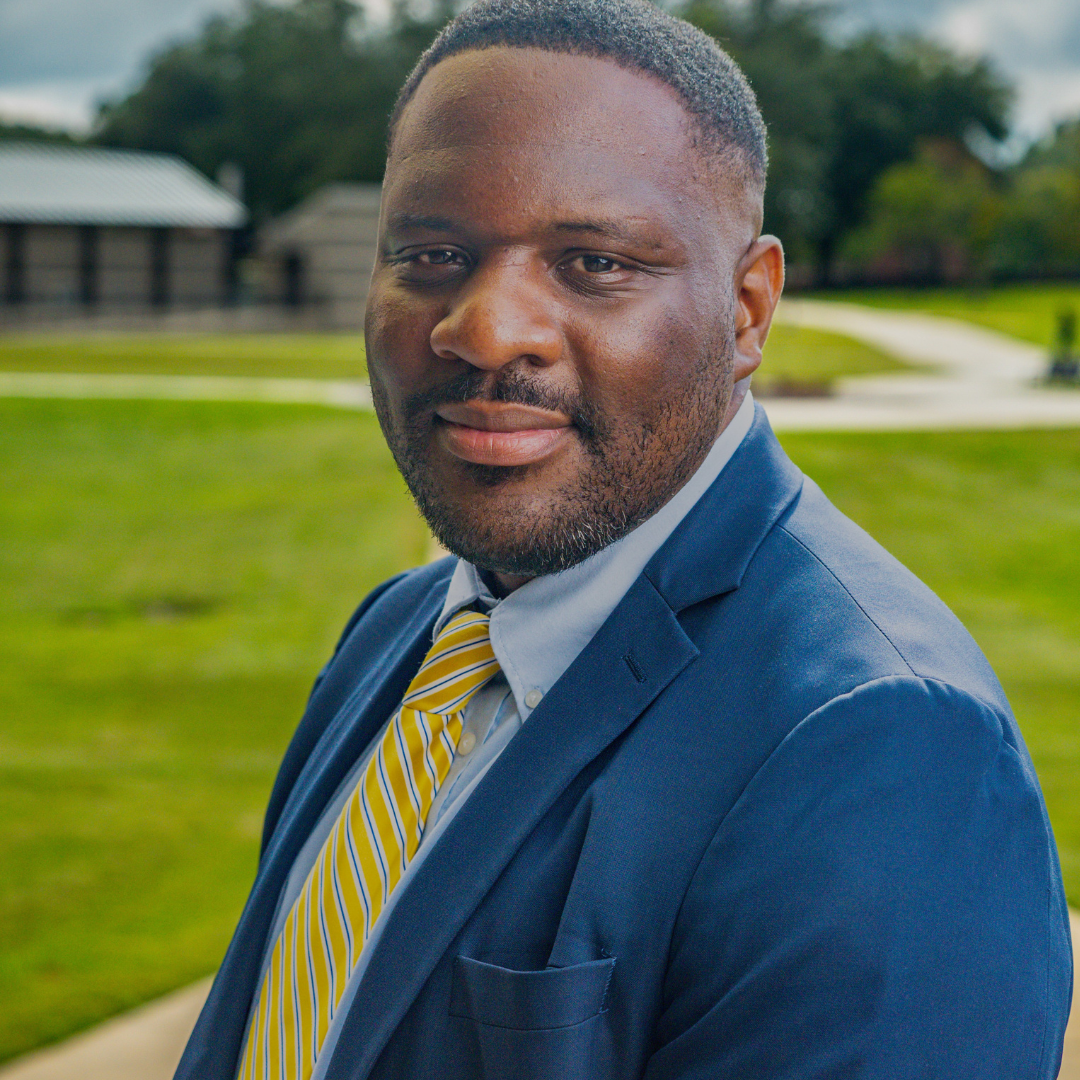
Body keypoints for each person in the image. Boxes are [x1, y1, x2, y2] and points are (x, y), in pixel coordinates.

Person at [176, 2, 1073, 1077]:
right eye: (432, 253)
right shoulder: (397, 635)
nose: (485, 329)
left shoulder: (883, 749)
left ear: (747, 310)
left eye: (593, 262)